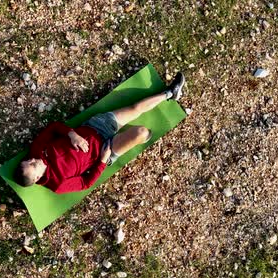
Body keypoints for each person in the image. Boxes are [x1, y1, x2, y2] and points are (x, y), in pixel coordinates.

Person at [13, 72, 185, 194]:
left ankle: (171, 92)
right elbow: (86, 183)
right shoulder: (58, 184)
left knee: (135, 108)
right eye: (33, 164)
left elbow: (53, 128)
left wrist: (72, 135)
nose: (34, 159)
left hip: (96, 127)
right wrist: (103, 161)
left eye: (29, 160)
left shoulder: (37, 149)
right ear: (36, 178)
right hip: (105, 150)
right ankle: (146, 136)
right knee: (141, 132)